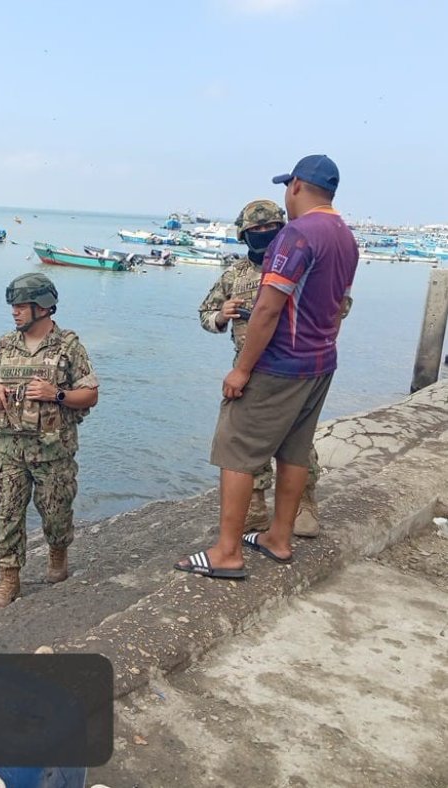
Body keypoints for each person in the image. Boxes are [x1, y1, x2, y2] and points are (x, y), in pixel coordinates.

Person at [176, 154, 359, 578]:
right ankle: (279, 538)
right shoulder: (344, 235)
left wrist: (241, 370)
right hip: (319, 362)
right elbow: (335, 308)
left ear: (295, 186)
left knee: (236, 451)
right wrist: (223, 315)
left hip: (277, 364)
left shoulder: (296, 237)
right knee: (294, 450)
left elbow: (268, 311)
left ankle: (226, 554)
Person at [198, 199, 344, 537]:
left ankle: (306, 502)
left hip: (293, 364)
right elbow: (205, 314)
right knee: (248, 443)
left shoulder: (301, 263)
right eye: (256, 230)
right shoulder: (234, 275)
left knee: (296, 440)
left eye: (270, 229)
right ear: (243, 234)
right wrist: (222, 316)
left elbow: (337, 308)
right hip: (249, 364)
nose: (263, 234)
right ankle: (255, 505)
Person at [0, 273, 99, 611]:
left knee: (55, 513)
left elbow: (90, 395)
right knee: (8, 513)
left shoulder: (69, 347)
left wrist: (56, 394)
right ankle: (8, 578)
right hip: (10, 450)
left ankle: (57, 553)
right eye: (13, 306)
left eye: (21, 306)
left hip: (53, 452)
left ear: (43, 307)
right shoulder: (4, 345)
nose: (14, 312)